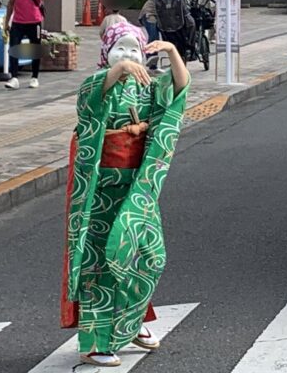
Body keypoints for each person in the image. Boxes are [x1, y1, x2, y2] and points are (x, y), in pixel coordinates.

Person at [62, 22, 190, 368]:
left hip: (137, 191)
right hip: (103, 190)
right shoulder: (96, 83)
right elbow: (90, 109)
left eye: (135, 50)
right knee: (103, 264)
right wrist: (116, 70)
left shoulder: (147, 87)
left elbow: (178, 91)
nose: (129, 57)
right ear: (106, 54)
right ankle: (95, 342)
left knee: (152, 257)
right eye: (120, 49)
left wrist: (174, 53)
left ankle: (128, 323)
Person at [5, 0, 49, 90]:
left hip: (34, 21)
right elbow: (11, 3)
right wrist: (7, 22)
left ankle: (34, 77)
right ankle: (14, 78)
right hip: (18, 21)